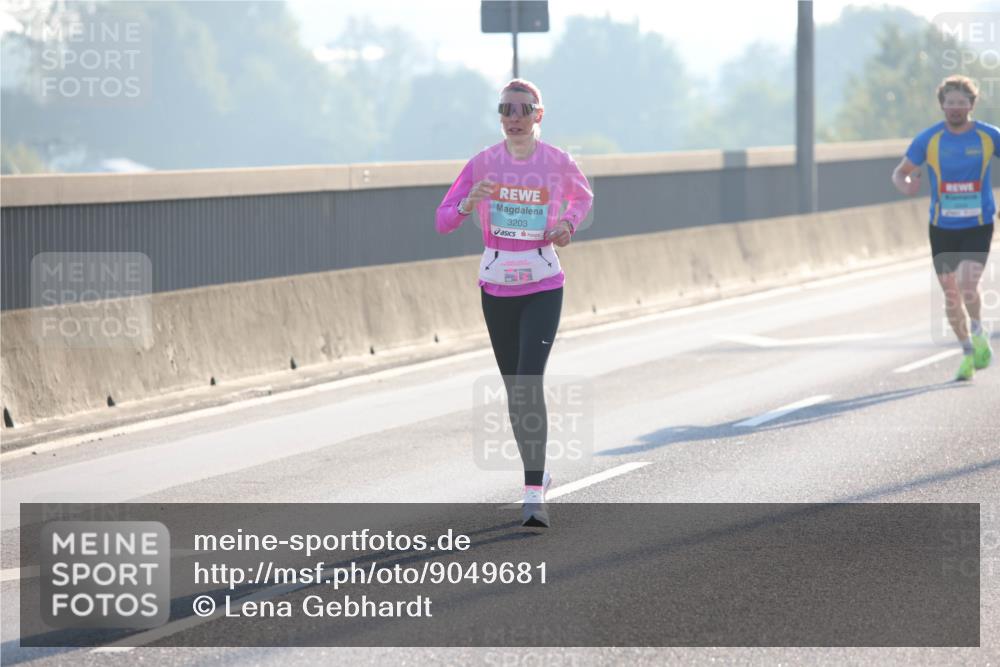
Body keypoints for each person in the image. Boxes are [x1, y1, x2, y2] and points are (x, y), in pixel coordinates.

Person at [435, 79, 594, 527]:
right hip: (496, 286)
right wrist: (467, 203)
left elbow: (582, 198)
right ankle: (539, 472)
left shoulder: (557, 162)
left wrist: (566, 225)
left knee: (527, 382)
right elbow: (443, 221)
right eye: (506, 109)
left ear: (538, 115)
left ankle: (532, 491)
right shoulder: (483, 163)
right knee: (514, 389)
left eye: (523, 109)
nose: (514, 118)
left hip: (543, 284)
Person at [892, 75, 998, 380]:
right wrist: (906, 184)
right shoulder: (929, 139)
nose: (955, 108)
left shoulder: (988, 136)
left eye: (961, 102)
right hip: (942, 226)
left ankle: (978, 330)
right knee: (951, 295)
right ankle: (967, 351)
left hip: (978, 223)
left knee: (967, 283)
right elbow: (900, 172)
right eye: (950, 102)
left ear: (971, 105)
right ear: (942, 105)